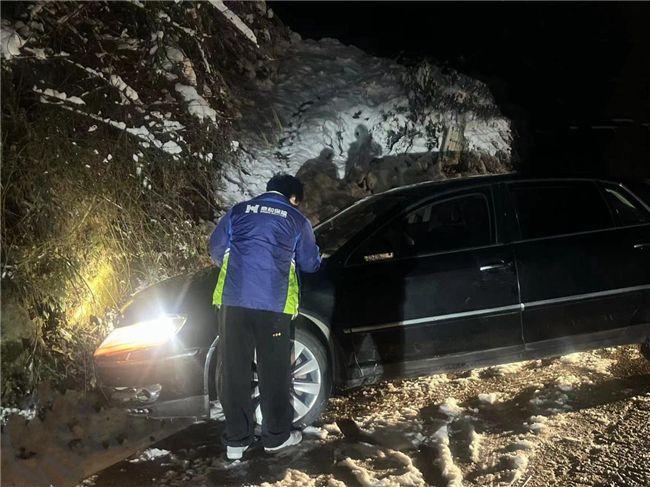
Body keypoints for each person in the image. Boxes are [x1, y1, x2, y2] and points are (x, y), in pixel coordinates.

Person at [209, 174, 321, 460]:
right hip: (273, 305)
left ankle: (236, 440)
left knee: (233, 370)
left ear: (268, 190)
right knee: (274, 372)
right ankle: (276, 437)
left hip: (233, 302)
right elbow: (309, 263)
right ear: (293, 198)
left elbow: (215, 249)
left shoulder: (239, 210)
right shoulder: (296, 220)